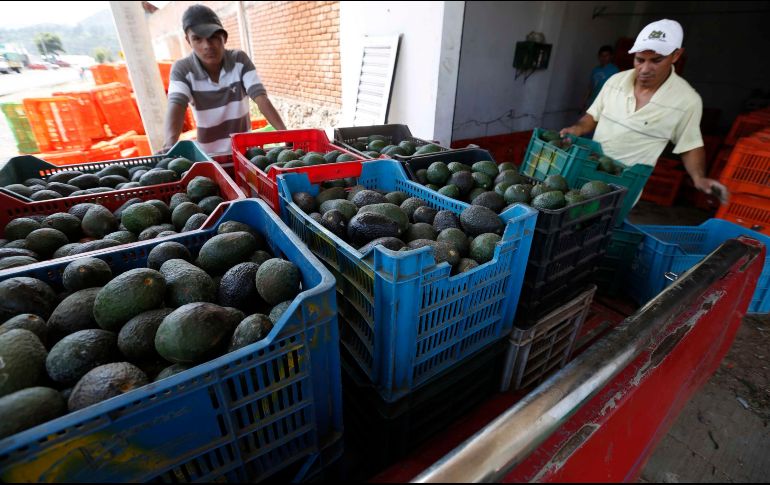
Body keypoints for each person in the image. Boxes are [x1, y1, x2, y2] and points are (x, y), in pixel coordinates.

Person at [561, 19, 728, 204]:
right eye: (640, 60)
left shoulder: (687, 100)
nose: (645, 69)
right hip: (588, 174)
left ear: (676, 55)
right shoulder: (615, 82)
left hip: (624, 190)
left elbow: (690, 145)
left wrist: (699, 178)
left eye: (656, 60)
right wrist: (576, 129)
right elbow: (592, 116)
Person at [162, 4, 286, 154]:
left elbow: (260, 98)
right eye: (197, 39)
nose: (207, 45)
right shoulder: (183, 69)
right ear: (188, 40)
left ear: (224, 37)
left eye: (213, 37)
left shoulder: (239, 60)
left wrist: (286, 135)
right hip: (210, 157)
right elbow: (176, 106)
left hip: (244, 154)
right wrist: (169, 145)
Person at [584, 45, 619, 111]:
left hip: (605, 104)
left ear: (611, 56)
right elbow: (590, 87)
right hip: (592, 101)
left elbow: (615, 89)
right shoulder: (595, 70)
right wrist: (584, 101)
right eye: (602, 55)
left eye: (606, 55)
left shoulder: (614, 70)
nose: (603, 58)